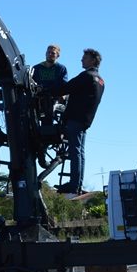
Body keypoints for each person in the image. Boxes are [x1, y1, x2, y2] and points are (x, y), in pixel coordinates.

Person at [56, 48, 105, 196]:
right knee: (79, 152)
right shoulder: (100, 80)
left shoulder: (87, 76)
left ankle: (74, 186)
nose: (81, 60)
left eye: (84, 58)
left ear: (92, 60)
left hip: (75, 119)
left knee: (75, 152)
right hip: (85, 120)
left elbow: (66, 87)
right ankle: (76, 184)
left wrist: (46, 90)